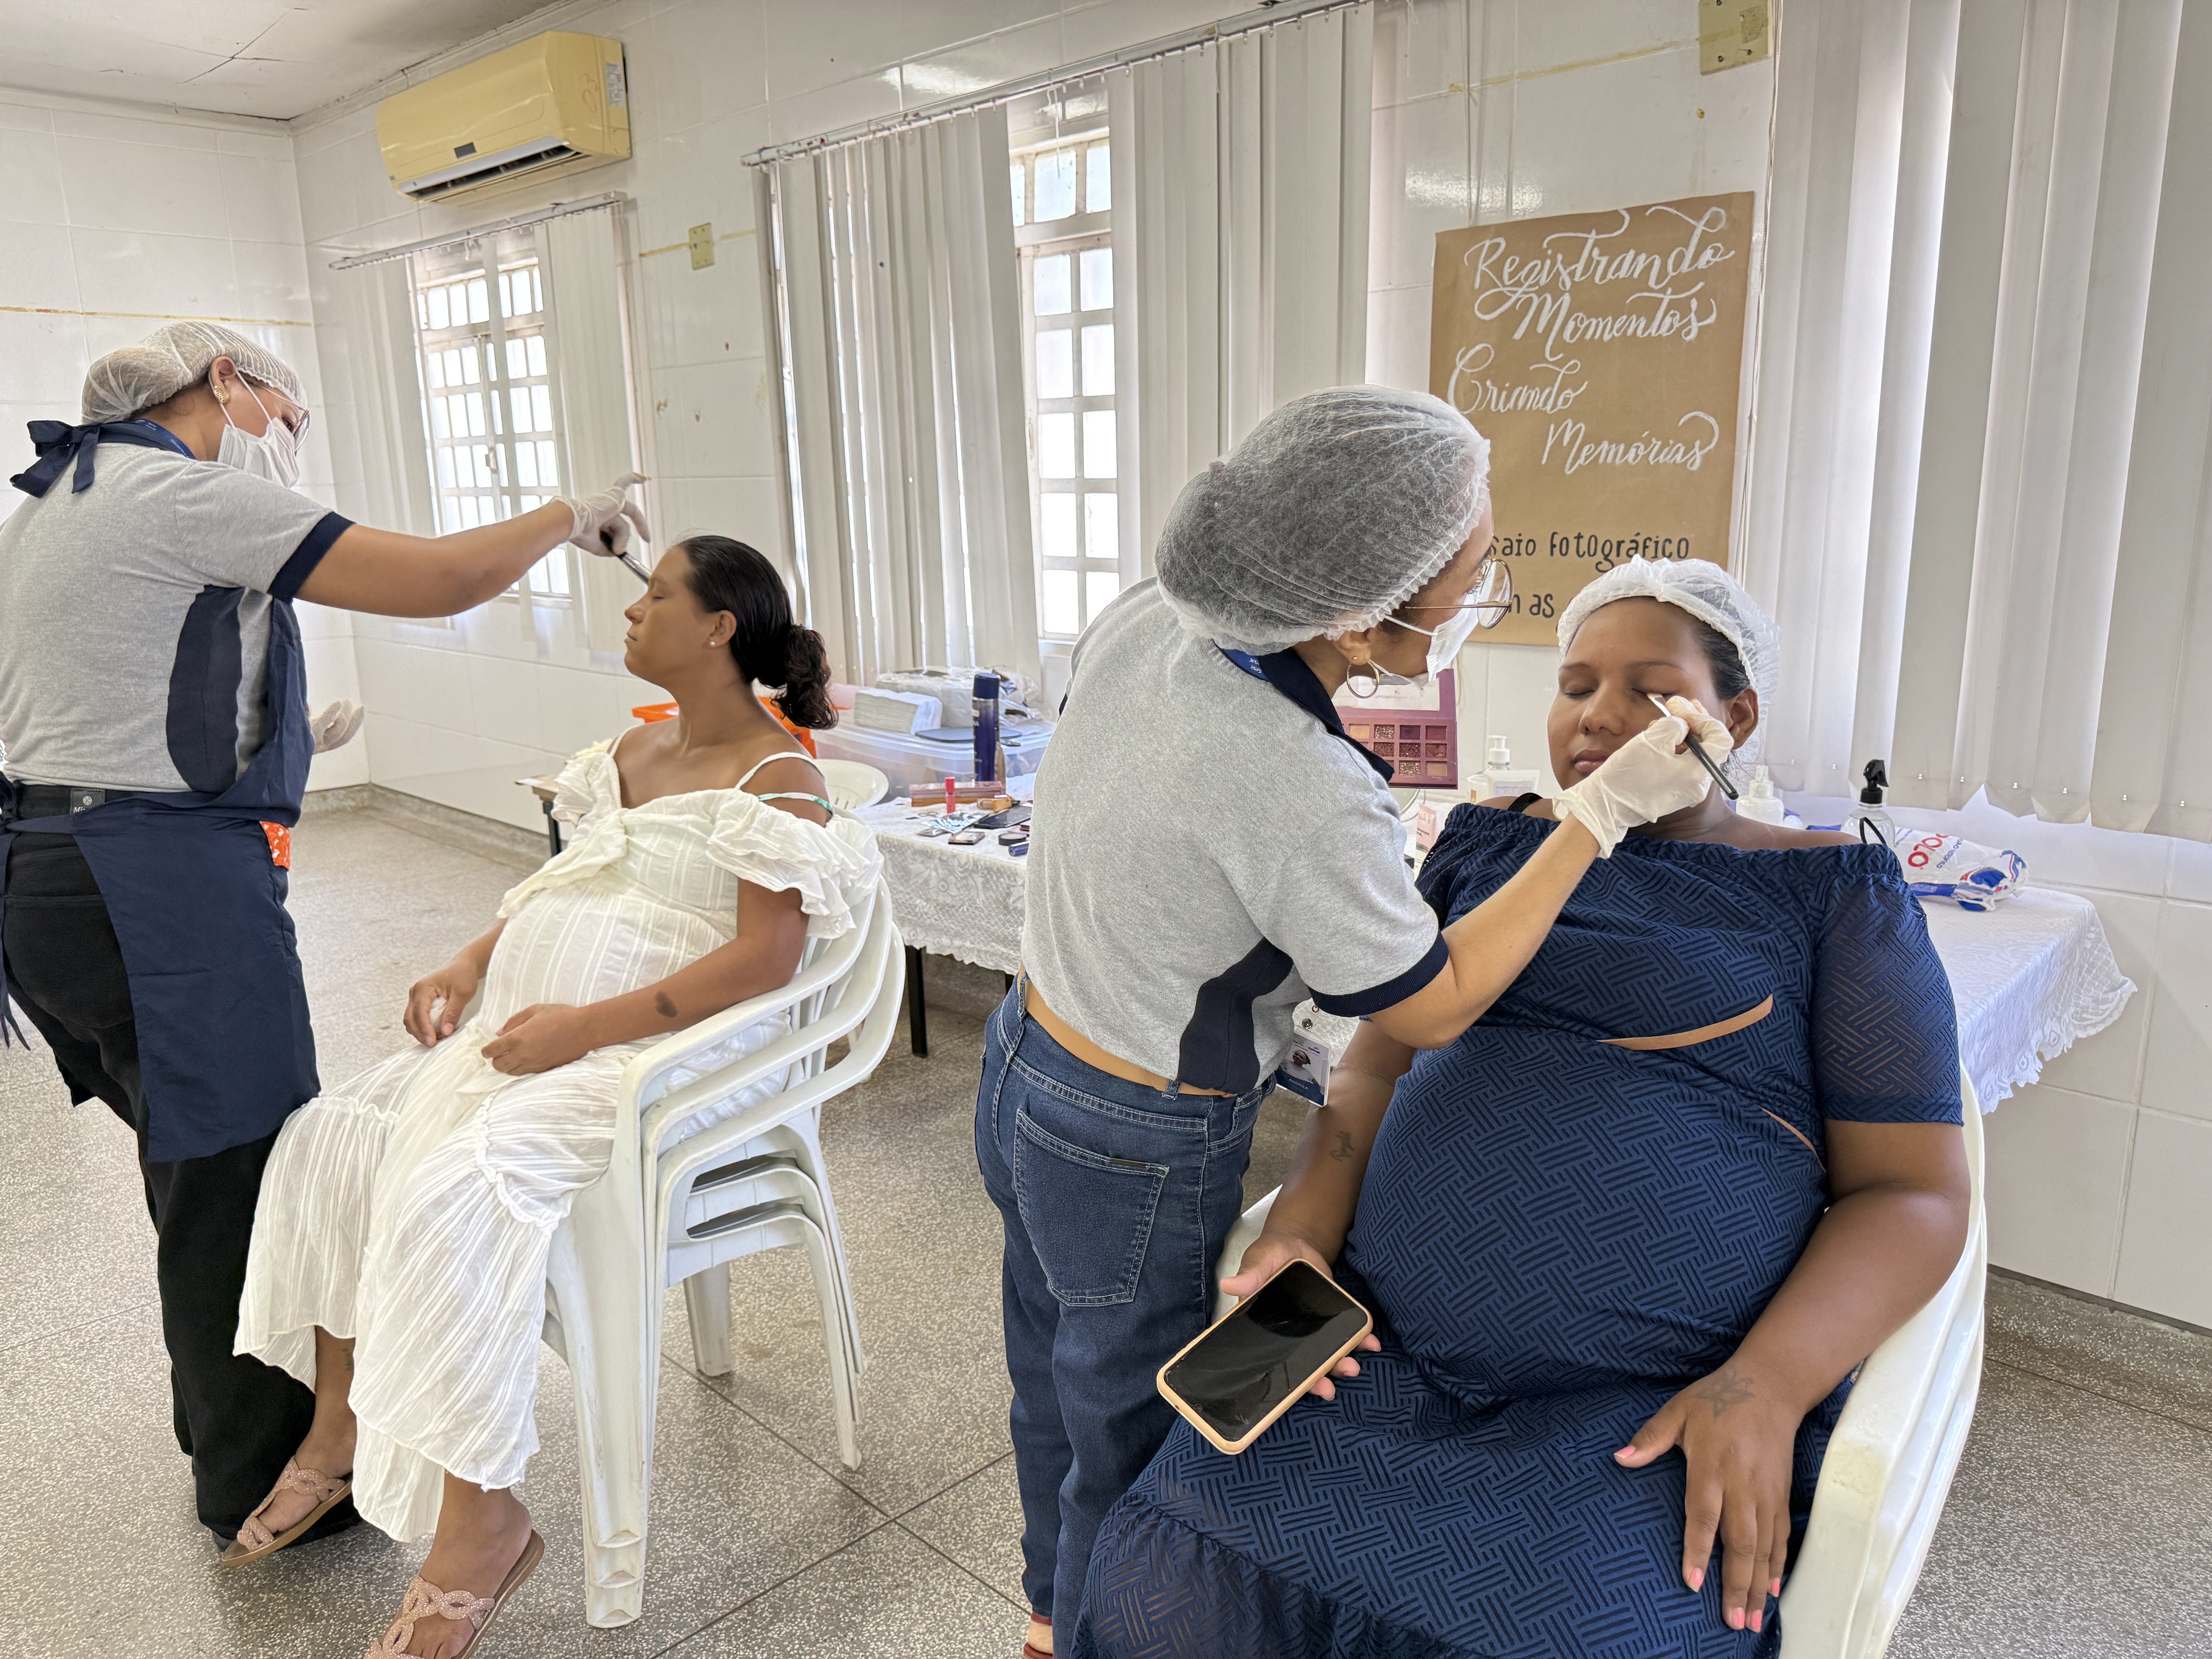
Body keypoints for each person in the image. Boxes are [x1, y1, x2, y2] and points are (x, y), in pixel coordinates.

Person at [1071, 558, 1975, 1659]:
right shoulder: (1489, 844)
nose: (1598, 714)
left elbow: (1912, 1190)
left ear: (1734, 717)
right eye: (1576, 684)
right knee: (1157, 1586)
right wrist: (1301, 1227)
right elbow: (1370, 1072)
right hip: (1370, 1338)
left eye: (1651, 690)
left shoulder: (1834, 895)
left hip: (1641, 1405)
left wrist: (1769, 1385)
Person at [980, 388, 1727, 1659]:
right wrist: (1595, 818)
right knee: (1130, 1421)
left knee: (1055, 1366)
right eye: (1473, 578)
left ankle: (1052, 1601)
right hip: (1133, 1137)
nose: (1485, 595)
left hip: (1029, 1054)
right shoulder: (1303, 785)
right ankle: (1091, 1631)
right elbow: (1430, 1005)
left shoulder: (1157, 611)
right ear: (1358, 613)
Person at [0, 321, 650, 1548]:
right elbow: (440, 579)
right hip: (157, 895)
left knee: (191, 1164)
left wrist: (290, 739)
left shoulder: (53, 503)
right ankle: (261, 1469)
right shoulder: (174, 492)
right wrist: (570, 514)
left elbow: (112, 689)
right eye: (289, 418)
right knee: (244, 1171)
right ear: (227, 384)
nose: (289, 443)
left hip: (50, 884)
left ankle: (227, 1424)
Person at [227, 536, 881, 1658]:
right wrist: (473, 959)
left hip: (660, 1068)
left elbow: (763, 960)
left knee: (450, 1191)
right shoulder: (631, 751)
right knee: (336, 1135)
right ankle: (337, 1432)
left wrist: (584, 1026)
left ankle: (480, 1522)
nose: (632, 610)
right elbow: (567, 882)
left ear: (719, 627)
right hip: (536, 1040)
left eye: (656, 595)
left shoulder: (780, 777)